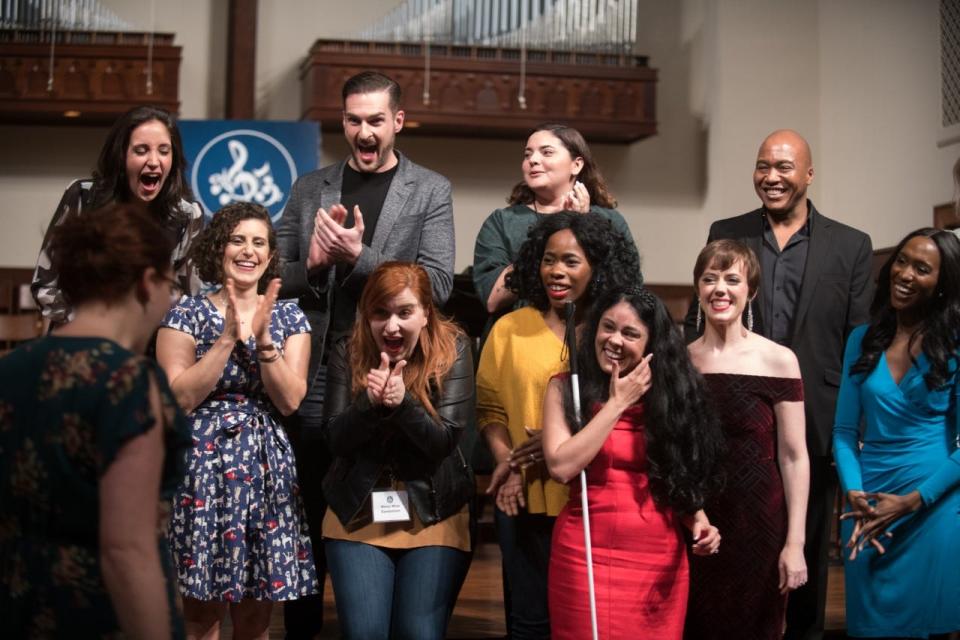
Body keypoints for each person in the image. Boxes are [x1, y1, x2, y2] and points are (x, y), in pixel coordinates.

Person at [277, 70, 455, 638]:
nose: (364, 131)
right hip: (319, 368)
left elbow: (441, 284)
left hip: (398, 365)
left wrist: (360, 256)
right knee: (306, 513)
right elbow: (274, 277)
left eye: (376, 120)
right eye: (353, 120)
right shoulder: (311, 188)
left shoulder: (430, 189)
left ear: (397, 121)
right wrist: (311, 265)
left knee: (375, 493)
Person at [683, 129, 873, 640]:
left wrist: (852, 425)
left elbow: (859, 345)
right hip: (732, 411)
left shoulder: (851, 245)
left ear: (808, 174)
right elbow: (694, 318)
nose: (772, 177)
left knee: (803, 549)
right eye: (763, 165)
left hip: (814, 419)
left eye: (785, 167)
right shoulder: (728, 229)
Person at [0, 204, 191, 639]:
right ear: (147, 283)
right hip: (96, 613)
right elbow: (126, 548)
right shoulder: (127, 381)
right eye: (170, 285)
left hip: (18, 607)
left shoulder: (10, 369)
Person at [156, 203, 318, 639]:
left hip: (266, 468)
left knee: (255, 616)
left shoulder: (288, 317)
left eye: (258, 242)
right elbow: (180, 397)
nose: (248, 250)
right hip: (201, 468)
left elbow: (290, 400)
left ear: (270, 256)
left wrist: (263, 339)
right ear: (220, 248)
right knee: (200, 616)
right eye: (238, 239)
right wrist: (227, 338)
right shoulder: (185, 313)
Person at [475, 211, 640, 639]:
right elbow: (489, 410)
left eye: (571, 261)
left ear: (597, 267)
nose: (556, 272)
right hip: (524, 495)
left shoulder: (610, 335)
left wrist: (556, 439)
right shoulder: (510, 329)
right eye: (549, 260)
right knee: (529, 622)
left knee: (586, 621)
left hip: (592, 499)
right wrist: (508, 462)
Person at [542, 287, 723, 640]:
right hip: (584, 555)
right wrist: (617, 404)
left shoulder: (675, 397)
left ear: (652, 345)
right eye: (607, 327)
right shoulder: (566, 389)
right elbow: (561, 466)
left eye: (630, 333)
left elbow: (676, 478)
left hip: (656, 561)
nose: (614, 340)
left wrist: (700, 521)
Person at [319, 261, 474, 639]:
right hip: (357, 507)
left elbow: (443, 440)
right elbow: (335, 438)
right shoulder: (347, 348)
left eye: (404, 312)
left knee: (419, 633)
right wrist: (368, 405)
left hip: (434, 509)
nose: (391, 326)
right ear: (366, 315)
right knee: (366, 632)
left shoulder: (454, 348)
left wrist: (403, 403)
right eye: (380, 313)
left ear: (425, 314)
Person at [833, 228, 960, 639]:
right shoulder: (862, 340)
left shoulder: (957, 344)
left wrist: (912, 501)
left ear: (943, 285)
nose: (905, 274)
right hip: (866, 510)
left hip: (933, 508)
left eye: (922, 269)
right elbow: (844, 433)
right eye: (902, 261)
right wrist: (855, 496)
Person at [684, 240, 811, 639]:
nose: (720, 289)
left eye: (732, 279)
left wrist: (795, 544)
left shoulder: (779, 360)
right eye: (710, 279)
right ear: (698, 289)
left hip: (760, 523)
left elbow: (794, 457)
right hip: (698, 519)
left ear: (750, 291)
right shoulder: (681, 361)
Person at [32, 105, 203, 325]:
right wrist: (93, 323)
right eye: (141, 150)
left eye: (164, 150)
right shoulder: (83, 197)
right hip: (81, 338)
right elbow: (44, 286)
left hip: (151, 344)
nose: (153, 161)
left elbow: (187, 300)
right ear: (120, 155)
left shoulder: (187, 214)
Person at [473, 123, 640, 331]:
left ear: (576, 165)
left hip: (590, 337)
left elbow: (630, 292)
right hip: (521, 337)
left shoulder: (609, 221)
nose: (533, 160)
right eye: (528, 154)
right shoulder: (503, 221)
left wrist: (585, 227)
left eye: (547, 152)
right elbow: (492, 300)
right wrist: (556, 228)